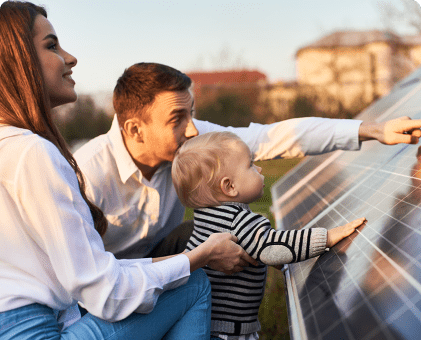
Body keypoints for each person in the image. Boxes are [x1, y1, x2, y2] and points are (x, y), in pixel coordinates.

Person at [0, 2, 257, 340]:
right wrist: (200, 257)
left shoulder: (8, 147)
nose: (70, 58)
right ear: (16, 60)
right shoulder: (34, 153)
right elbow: (103, 292)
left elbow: (86, 276)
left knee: (184, 266)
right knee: (192, 285)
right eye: (52, 45)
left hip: (28, 337)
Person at [74, 62, 421, 263]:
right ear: (135, 129)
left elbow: (276, 137)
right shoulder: (87, 176)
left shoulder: (191, 142)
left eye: (191, 113)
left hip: (166, 264)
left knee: (219, 230)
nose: (193, 128)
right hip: (105, 285)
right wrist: (197, 261)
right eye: (177, 118)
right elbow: (84, 277)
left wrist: (373, 129)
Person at [171, 131, 366, 340]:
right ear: (230, 187)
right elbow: (273, 247)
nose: (260, 169)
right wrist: (327, 237)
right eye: (251, 165)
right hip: (219, 338)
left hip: (202, 328)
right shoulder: (238, 220)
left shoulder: (206, 218)